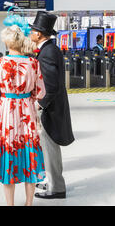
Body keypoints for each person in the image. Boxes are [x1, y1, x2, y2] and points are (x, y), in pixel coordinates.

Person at [0, 20, 46, 206]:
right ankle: (29, 203)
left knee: (8, 156)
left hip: (6, 113)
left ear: (7, 43)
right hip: (27, 112)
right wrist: (29, 100)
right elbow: (41, 92)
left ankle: (10, 204)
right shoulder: (33, 63)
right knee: (30, 156)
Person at [29, 11, 75, 199]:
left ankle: (56, 188)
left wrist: (40, 105)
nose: (30, 33)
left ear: (39, 34)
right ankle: (52, 181)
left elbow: (52, 86)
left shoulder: (47, 53)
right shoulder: (50, 49)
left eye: (32, 30)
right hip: (53, 108)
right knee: (48, 148)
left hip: (50, 110)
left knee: (50, 149)